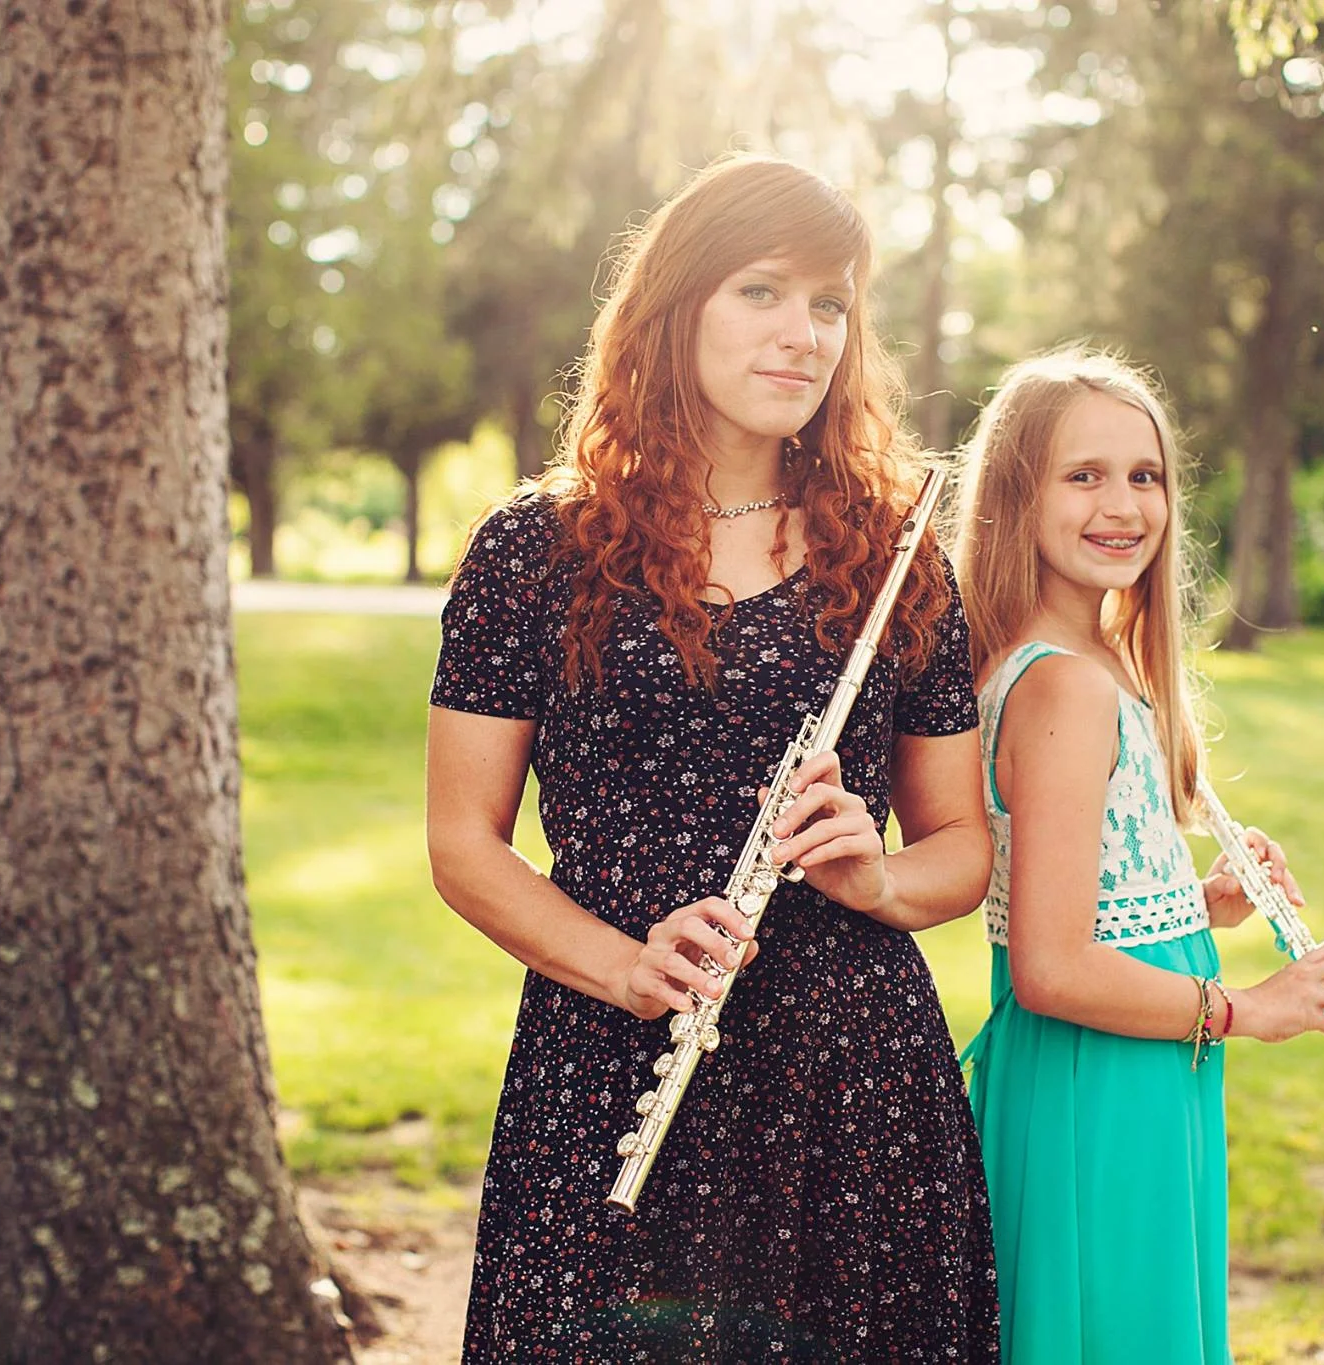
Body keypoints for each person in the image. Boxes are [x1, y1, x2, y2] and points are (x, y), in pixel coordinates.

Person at [425, 153, 1000, 1362]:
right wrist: (625, 968)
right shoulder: (534, 551)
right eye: (762, 292)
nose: (803, 335)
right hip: (610, 1064)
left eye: (830, 305)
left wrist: (878, 877)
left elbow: (959, 851)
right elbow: (461, 847)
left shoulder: (895, 551)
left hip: (854, 1090)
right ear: (672, 307)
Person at [950, 348, 1324, 1364]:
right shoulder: (1062, 686)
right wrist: (1247, 1008)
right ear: (1017, 495)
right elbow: (1051, 969)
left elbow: (1074, 904)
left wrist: (1190, 904)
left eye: (1143, 476)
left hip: (1135, 1072)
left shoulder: (1091, 664)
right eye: (1082, 475)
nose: (1123, 505)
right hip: (1101, 1086)